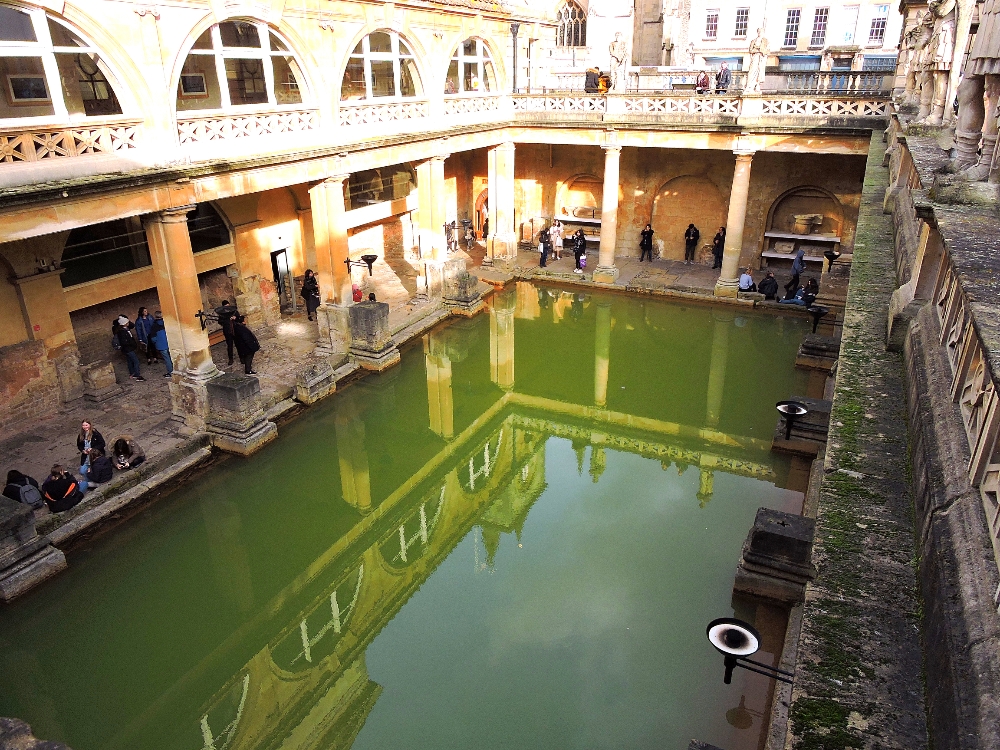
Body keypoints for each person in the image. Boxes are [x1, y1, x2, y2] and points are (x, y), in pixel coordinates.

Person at [114, 315, 144, 381]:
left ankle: (132, 373)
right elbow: (125, 342)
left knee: (130, 361)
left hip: (127, 349)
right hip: (128, 349)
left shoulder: (125, 330)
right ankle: (137, 375)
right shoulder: (122, 332)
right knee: (136, 361)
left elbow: (132, 325)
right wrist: (131, 344)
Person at [147, 311, 172, 377]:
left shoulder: (154, 325)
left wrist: (156, 343)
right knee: (172, 358)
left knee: (167, 359)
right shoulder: (166, 322)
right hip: (170, 342)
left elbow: (153, 338)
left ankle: (171, 372)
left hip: (161, 345)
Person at [215, 299, 239, 364]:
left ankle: (241, 357)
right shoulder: (222, 314)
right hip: (227, 331)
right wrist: (227, 320)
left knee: (238, 344)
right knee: (230, 345)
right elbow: (220, 322)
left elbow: (239, 318)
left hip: (235, 329)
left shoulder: (234, 311)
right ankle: (230, 359)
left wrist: (235, 318)